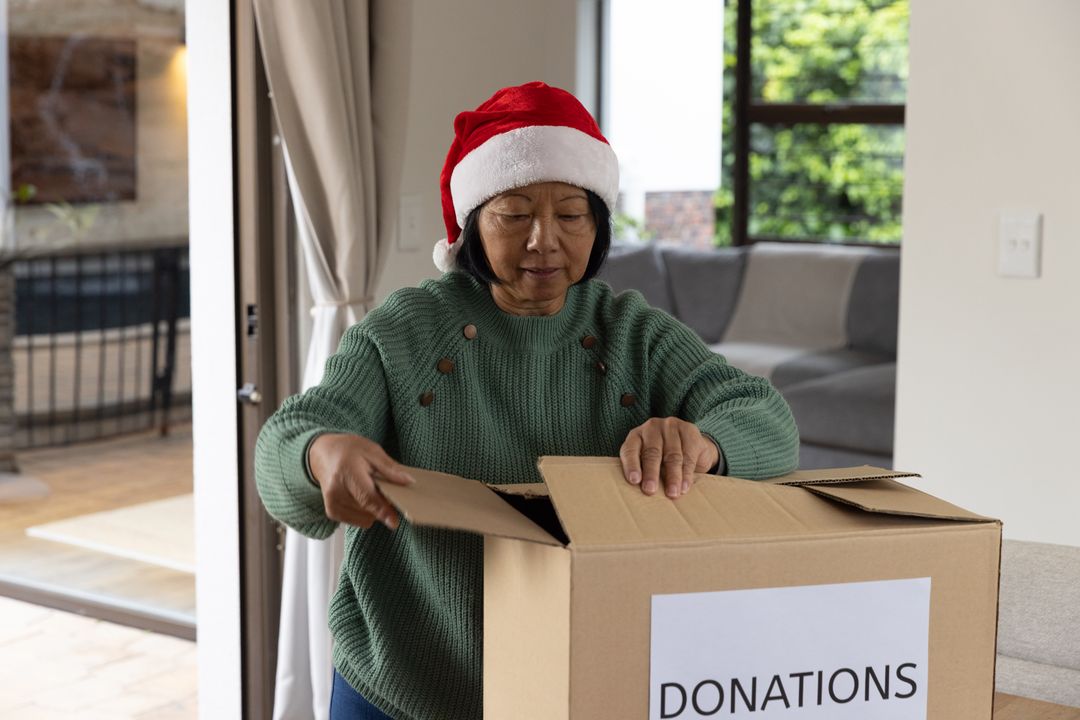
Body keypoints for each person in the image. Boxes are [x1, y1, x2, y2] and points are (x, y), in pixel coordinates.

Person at [255, 81, 799, 720]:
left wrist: (702, 442)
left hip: (576, 676)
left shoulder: (634, 333)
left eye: (571, 215)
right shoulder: (404, 330)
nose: (544, 239)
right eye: (514, 214)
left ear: (596, 227)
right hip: (402, 681)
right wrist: (320, 454)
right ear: (471, 223)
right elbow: (287, 440)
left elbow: (767, 418)